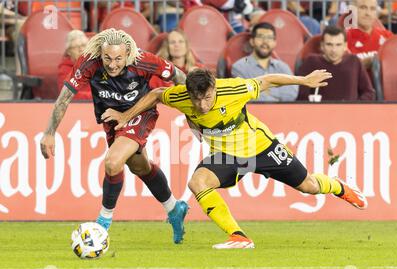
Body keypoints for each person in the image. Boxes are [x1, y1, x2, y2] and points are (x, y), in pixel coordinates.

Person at [101, 68, 368, 250]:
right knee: (198, 182)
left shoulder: (234, 89)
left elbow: (267, 80)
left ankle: (340, 187)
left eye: (206, 98)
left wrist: (303, 80)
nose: (202, 105)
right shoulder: (182, 96)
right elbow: (157, 94)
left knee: (308, 185)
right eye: (197, 100)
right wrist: (125, 117)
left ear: (214, 88)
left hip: (261, 147)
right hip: (229, 157)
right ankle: (238, 236)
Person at [40, 28, 189, 244]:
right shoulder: (89, 62)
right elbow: (64, 98)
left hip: (140, 113)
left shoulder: (144, 60)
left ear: (127, 53)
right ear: (100, 52)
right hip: (111, 120)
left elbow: (179, 76)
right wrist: (49, 132)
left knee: (112, 162)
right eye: (107, 58)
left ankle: (103, 222)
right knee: (140, 166)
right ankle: (174, 208)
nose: (112, 64)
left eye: (118, 58)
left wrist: (193, 112)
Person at [297, 26, 375, 101]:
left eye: (338, 45)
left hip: (350, 112)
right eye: (329, 44)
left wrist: (355, 108)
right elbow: (301, 94)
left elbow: (368, 92)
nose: (334, 50)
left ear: (345, 46)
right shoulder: (311, 62)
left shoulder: (354, 61)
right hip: (319, 112)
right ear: (322, 46)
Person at [231, 22, 298, 102]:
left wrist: (265, 88)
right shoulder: (240, 67)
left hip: (281, 112)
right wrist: (275, 89)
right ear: (252, 41)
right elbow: (245, 95)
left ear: (274, 43)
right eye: (260, 37)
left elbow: (292, 93)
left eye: (269, 38)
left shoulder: (282, 67)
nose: (265, 42)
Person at [346, 0, 393, 70]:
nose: (368, 13)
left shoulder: (388, 36)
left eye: (372, 9)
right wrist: (366, 63)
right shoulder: (344, 38)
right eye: (363, 8)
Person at [57, 30, 92, 100]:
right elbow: (67, 95)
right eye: (76, 47)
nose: (81, 49)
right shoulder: (64, 69)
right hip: (76, 107)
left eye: (83, 45)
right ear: (69, 52)